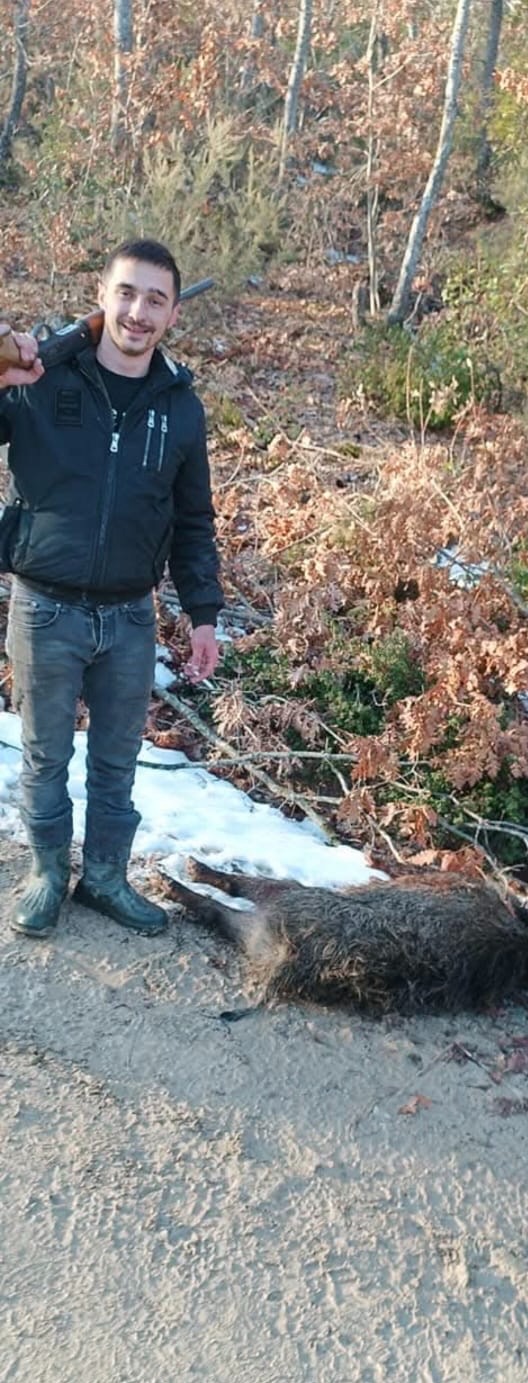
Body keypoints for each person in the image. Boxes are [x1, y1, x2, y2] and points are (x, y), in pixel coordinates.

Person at [0, 238, 224, 939]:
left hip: (130, 617)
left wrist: (205, 615)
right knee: (45, 754)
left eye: (156, 298)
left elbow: (193, 521)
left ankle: (102, 878)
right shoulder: (42, 378)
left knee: (117, 760)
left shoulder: (180, 408)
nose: (138, 310)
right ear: (103, 295)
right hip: (43, 609)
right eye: (127, 292)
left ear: (173, 316)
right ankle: (44, 874)